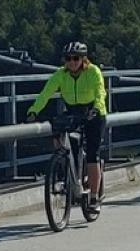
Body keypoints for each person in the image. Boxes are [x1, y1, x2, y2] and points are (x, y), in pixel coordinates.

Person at [24, 42, 108, 215]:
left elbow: (100, 92)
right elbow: (46, 93)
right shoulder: (60, 74)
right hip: (73, 111)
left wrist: (97, 108)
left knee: (93, 154)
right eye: (68, 59)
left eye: (76, 58)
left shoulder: (93, 72)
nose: (72, 62)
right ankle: (65, 170)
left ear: (83, 59)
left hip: (93, 112)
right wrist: (34, 110)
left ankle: (94, 197)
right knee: (62, 140)